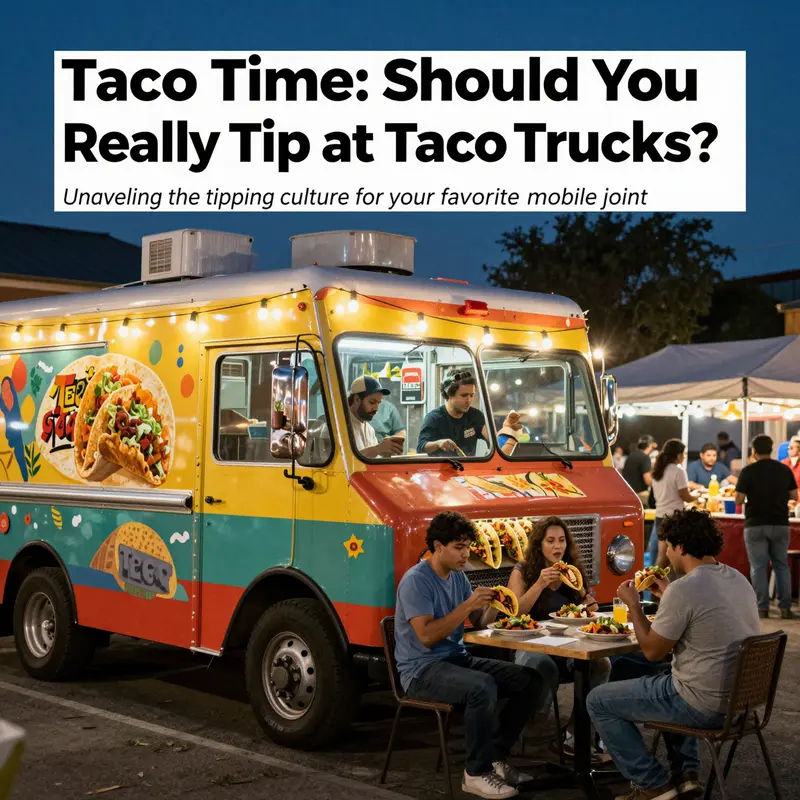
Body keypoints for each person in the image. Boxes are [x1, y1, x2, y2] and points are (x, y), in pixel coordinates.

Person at [587, 509, 760, 800]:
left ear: (680, 547)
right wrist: (668, 594)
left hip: (703, 705)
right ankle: (686, 774)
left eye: (667, 546)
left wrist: (634, 605)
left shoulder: (685, 588)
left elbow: (653, 651)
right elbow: (704, 614)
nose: (666, 553)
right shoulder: (737, 578)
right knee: (660, 676)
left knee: (598, 701)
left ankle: (653, 785)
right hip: (743, 704)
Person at [395, 511, 541, 798]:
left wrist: (496, 605)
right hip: (421, 671)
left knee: (531, 679)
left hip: (455, 659)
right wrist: (466, 606)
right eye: (459, 547)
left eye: (467, 547)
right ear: (438, 547)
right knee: (481, 687)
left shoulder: (459, 577)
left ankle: (495, 759)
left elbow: (482, 623)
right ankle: (475, 773)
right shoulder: (416, 581)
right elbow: (425, 637)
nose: (466, 554)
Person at [507, 515, 609, 757]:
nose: (557, 547)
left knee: (601, 664)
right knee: (542, 665)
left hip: (568, 644)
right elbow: (513, 614)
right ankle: (534, 722)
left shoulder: (572, 572)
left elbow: (591, 612)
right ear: (539, 545)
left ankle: (575, 733)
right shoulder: (522, 572)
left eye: (562, 541)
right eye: (550, 541)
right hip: (530, 645)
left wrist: (582, 591)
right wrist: (539, 584)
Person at [735, 434, 799, 619]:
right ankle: (785, 608)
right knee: (781, 566)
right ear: (771, 449)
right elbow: (795, 495)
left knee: (758, 567)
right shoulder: (784, 470)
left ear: (754, 451)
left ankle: (762, 608)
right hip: (780, 523)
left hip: (755, 524)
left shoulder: (748, 471)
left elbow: (738, 498)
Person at [417, 368, 516, 457]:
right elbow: (421, 447)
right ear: (450, 394)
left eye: (471, 395)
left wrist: (507, 429)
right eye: (464, 395)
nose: (469, 400)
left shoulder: (475, 416)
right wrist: (438, 443)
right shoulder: (434, 418)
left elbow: (496, 443)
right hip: (439, 473)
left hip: (467, 472)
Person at [648, 440, 695, 569]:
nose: (684, 456)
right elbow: (685, 496)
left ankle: (652, 584)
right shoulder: (678, 471)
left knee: (660, 555)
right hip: (673, 518)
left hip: (660, 516)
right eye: (684, 453)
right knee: (666, 557)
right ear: (678, 455)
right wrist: (697, 496)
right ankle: (655, 585)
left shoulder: (658, 470)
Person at [347, 376, 404, 458]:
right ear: (357, 399)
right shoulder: (341, 426)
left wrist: (385, 453)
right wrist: (377, 449)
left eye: (378, 403)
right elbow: (344, 462)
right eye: (372, 402)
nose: (376, 408)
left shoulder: (370, 430)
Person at [622, 435, 657, 504]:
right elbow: (648, 481)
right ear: (650, 445)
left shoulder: (631, 456)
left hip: (628, 494)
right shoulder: (645, 457)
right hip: (640, 495)